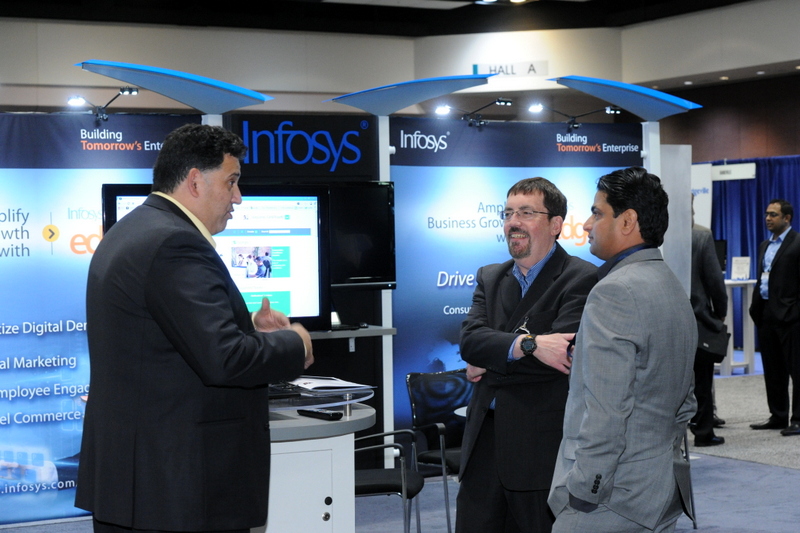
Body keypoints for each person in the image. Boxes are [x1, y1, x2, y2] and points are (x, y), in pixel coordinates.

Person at [75, 123, 314, 533]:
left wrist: (252, 331)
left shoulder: (131, 231)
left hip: (140, 482)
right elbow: (224, 359)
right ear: (194, 181)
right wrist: (295, 342)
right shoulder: (176, 244)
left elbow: (166, 342)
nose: (238, 197)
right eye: (232, 182)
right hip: (177, 489)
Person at [548, 167, 697, 533]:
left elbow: (606, 410)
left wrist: (586, 488)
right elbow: (687, 401)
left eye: (597, 213)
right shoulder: (670, 284)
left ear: (628, 221)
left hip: (612, 500)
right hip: (659, 488)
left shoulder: (614, 292)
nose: (585, 224)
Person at [457, 177, 597, 533]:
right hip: (483, 445)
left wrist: (492, 358)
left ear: (555, 225)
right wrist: (529, 345)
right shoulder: (490, 277)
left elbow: (559, 363)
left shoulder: (581, 278)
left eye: (525, 212)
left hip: (540, 449)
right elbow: (470, 342)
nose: (512, 222)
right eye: (507, 213)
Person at [748, 199, 800, 436]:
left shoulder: (797, 243)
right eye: (766, 214)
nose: (768, 218)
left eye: (773, 215)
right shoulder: (764, 245)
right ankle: (778, 416)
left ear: (787, 218)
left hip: (791, 317)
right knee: (773, 369)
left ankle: (798, 419)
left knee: (797, 370)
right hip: (767, 314)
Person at [690, 207, 728, 447]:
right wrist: (718, 316)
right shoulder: (701, 237)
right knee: (702, 381)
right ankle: (703, 431)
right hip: (697, 321)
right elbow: (716, 282)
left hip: (662, 320)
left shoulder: (654, 236)